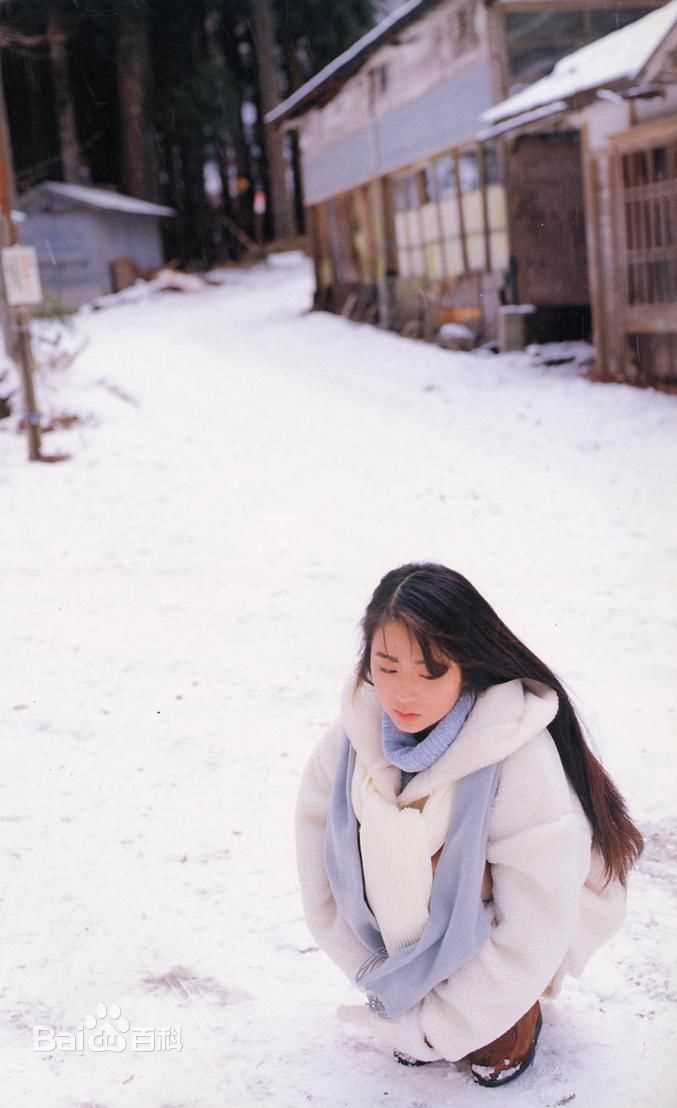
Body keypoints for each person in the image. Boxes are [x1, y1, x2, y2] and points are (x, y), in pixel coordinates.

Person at [295, 563, 643, 1087]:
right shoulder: (352, 739)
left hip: (520, 934)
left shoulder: (515, 755)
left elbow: (534, 923)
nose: (403, 694)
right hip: (411, 935)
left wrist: (441, 1027)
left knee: (486, 1034)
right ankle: (418, 983)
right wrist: (379, 981)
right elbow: (319, 860)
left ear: (468, 666)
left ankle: (513, 1014)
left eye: (430, 672)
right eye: (387, 668)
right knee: (385, 834)